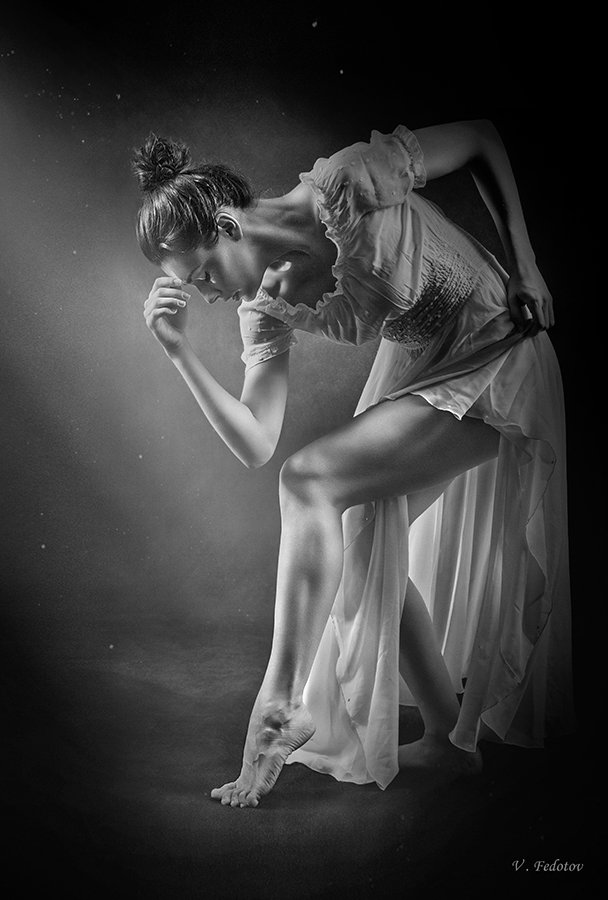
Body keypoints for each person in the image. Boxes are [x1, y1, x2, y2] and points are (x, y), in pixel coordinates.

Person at [133, 119, 574, 809]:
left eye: (205, 275)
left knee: (311, 480)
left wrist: (527, 266)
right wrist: (177, 351)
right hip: (428, 376)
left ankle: (281, 702)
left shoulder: (349, 181)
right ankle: (446, 742)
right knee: (362, 537)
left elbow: (483, 140)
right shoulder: (262, 304)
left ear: (225, 224)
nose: (208, 295)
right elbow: (256, 441)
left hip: (497, 351)